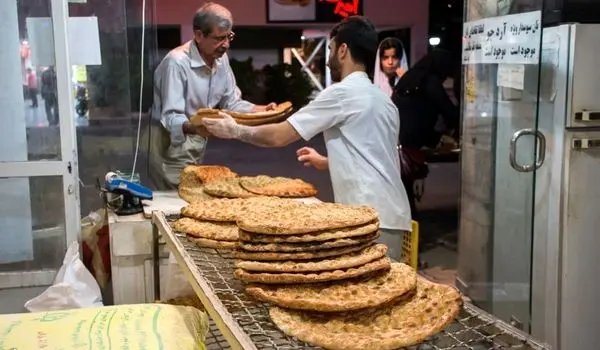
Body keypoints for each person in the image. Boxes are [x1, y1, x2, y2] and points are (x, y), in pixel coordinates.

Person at [203, 16, 412, 261]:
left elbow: (279, 136)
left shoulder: (343, 93)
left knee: (365, 294)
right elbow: (375, 154)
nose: (329, 58)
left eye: (331, 50)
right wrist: (326, 161)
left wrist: (235, 129)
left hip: (368, 218)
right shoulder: (382, 99)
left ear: (343, 50)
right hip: (394, 217)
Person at [150, 2, 276, 188]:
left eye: (229, 37)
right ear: (199, 35)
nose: (225, 45)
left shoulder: (220, 58)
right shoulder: (176, 63)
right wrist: (197, 127)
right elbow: (170, 117)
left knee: (192, 197)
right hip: (170, 146)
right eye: (219, 38)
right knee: (177, 203)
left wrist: (262, 110)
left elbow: (231, 103)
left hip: (197, 141)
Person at [391, 48, 459, 223]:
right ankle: (410, 237)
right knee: (407, 197)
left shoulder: (408, 79)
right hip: (411, 144)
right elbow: (448, 111)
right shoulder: (430, 81)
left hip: (396, 140)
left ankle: (407, 233)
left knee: (404, 194)